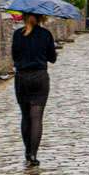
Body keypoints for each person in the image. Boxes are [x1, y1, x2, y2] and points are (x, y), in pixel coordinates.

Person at [10, 10, 59, 165]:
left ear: (24, 17)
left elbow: (15, 57)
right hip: (39, 77)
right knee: (36, 117)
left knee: (25, 116)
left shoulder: (18, 34)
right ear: (41, 17)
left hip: (22, 78)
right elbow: (52, 59)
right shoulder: (45, 34)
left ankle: (27, 151)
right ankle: (33, 155)